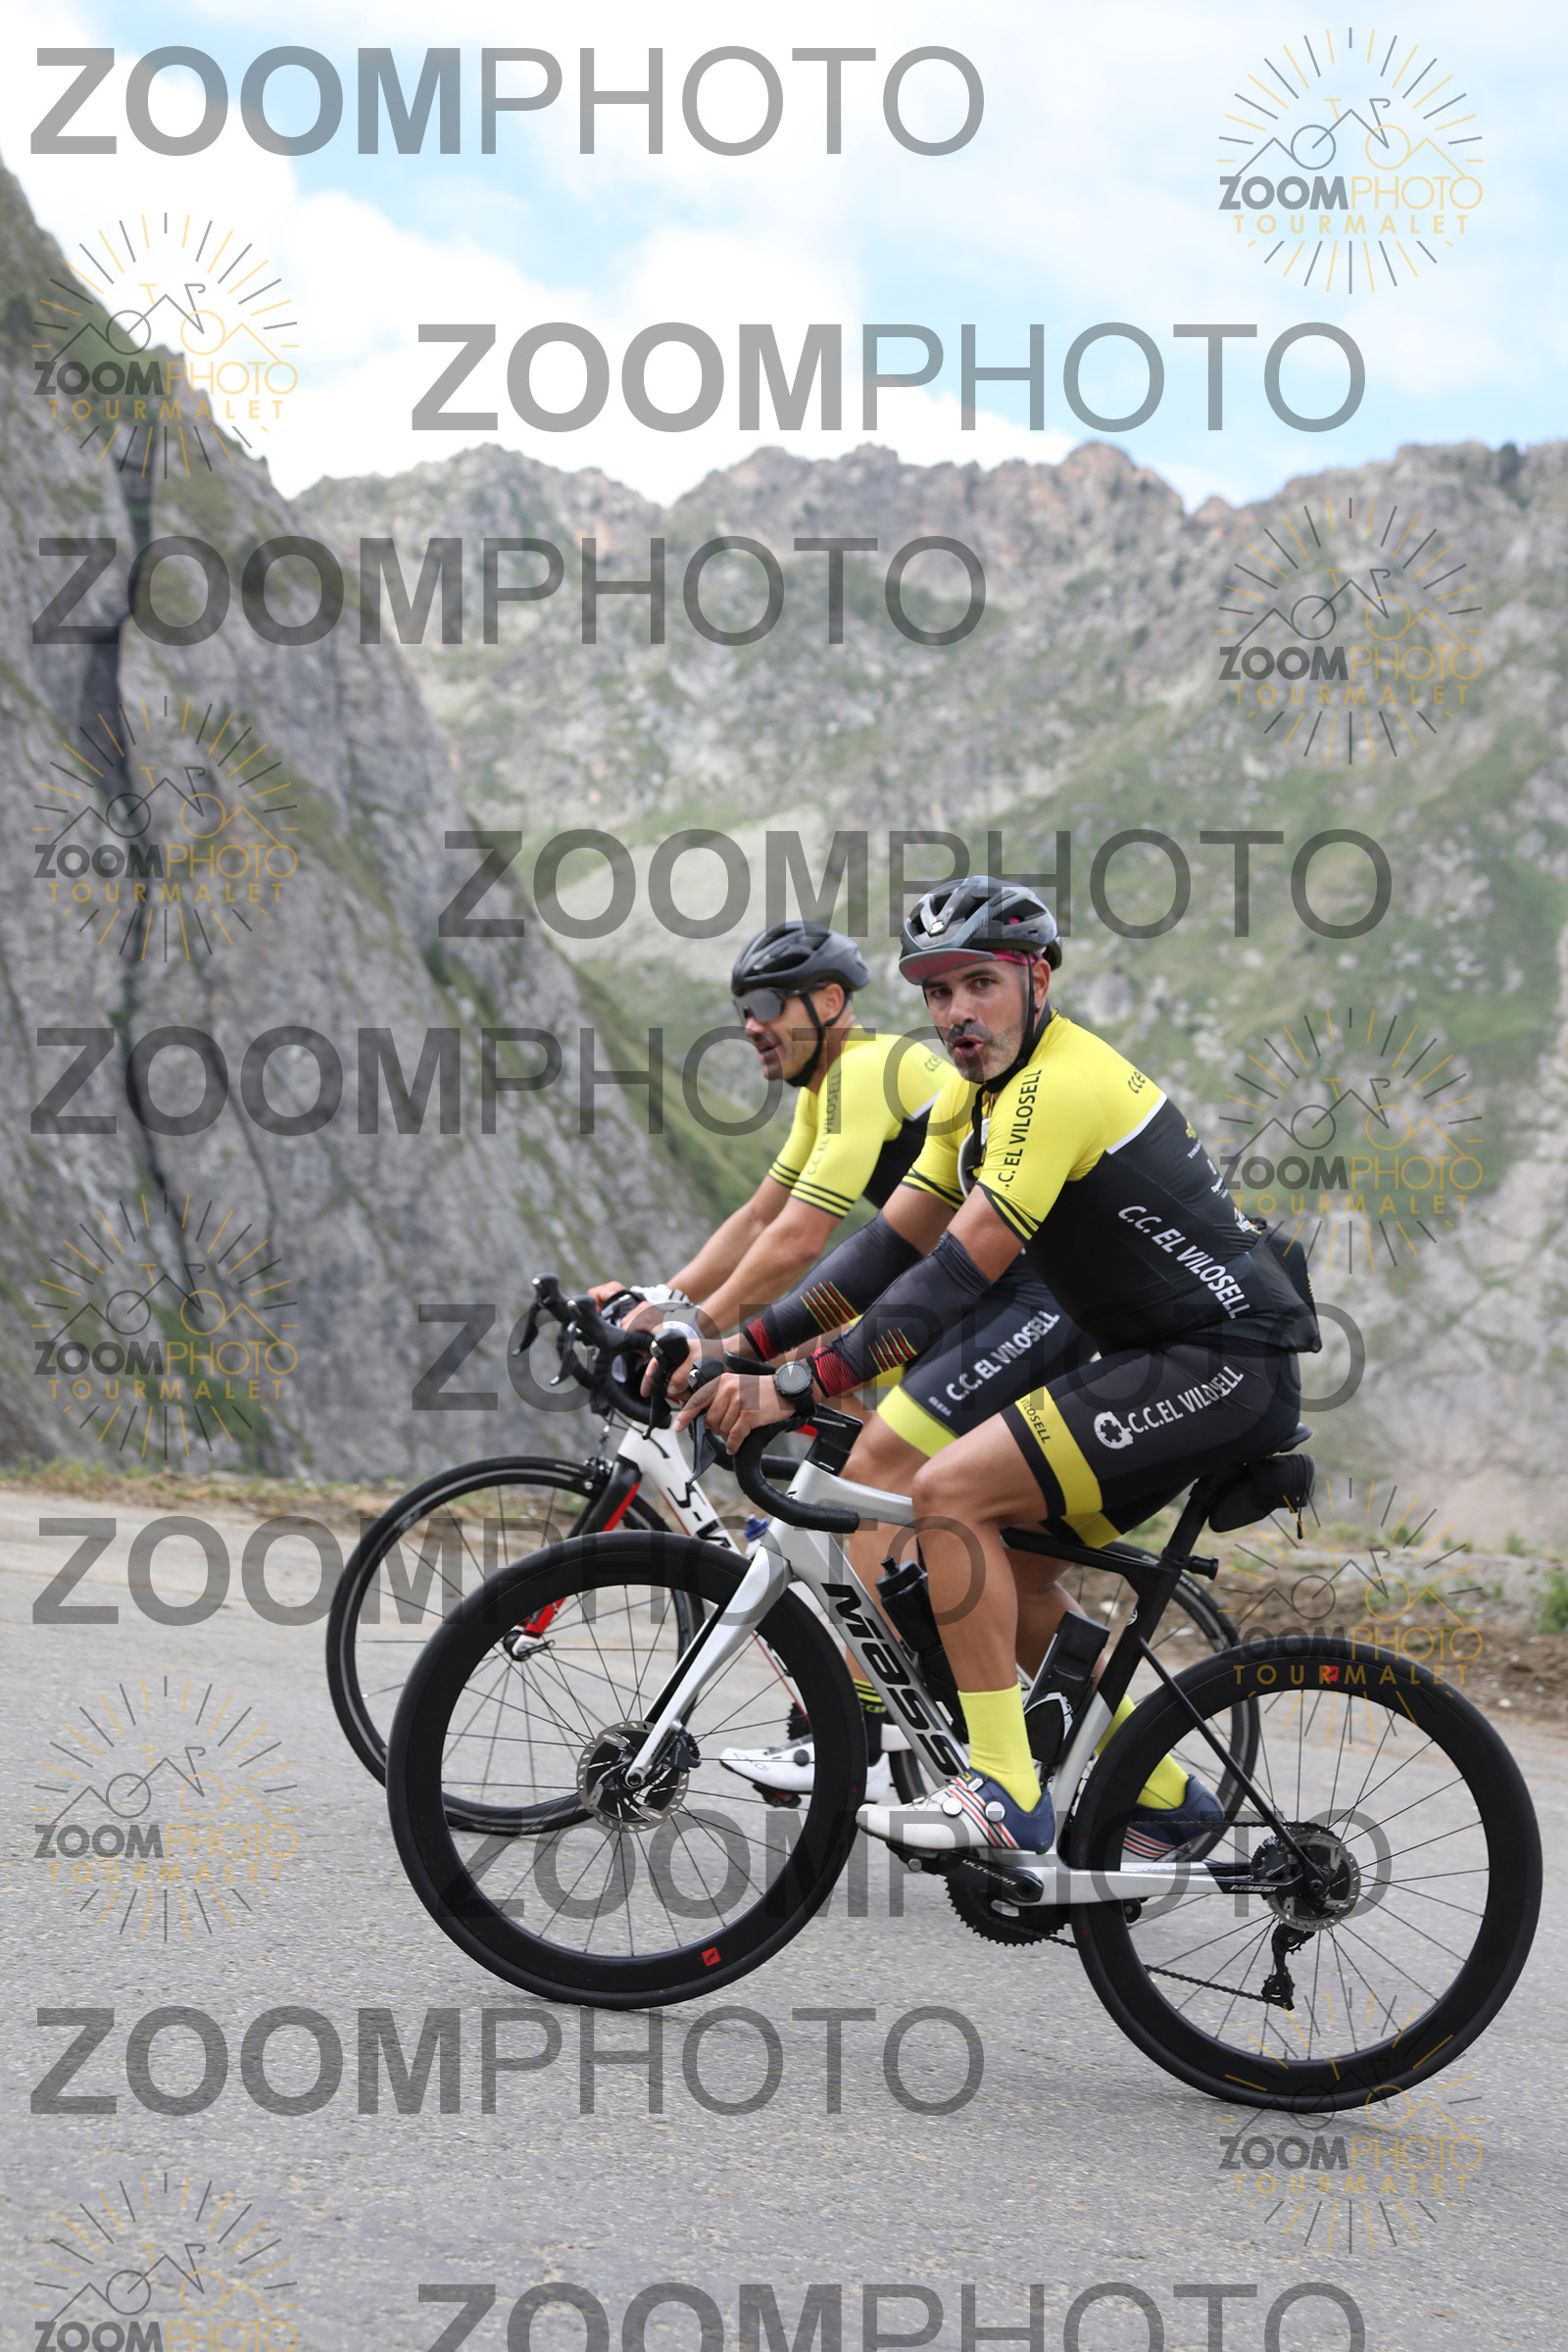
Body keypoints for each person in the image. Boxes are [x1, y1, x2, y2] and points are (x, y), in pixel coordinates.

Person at [681, 876, 1319, 1858]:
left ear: (1038, 980)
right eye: (937, 992)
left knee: (948, 1496)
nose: (957, 1013)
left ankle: (1005, 1792)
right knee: (1004, 1577)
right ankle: (1169, 1799)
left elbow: (952, 1275)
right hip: (1157, 1358)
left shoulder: (1056, 1086)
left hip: (1224, 1362)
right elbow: (882, 1250)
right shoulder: (971, 1097)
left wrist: (799, 1386)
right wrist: (740, 1351)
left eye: (979, 983)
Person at [596, 916, 1088, 1802]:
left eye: (765, 1004)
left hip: (1014, 1299)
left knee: (861, 1478)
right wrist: (664, 1301)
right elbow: (759, 1215)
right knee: (850, 1463)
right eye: (741, 1009)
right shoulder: (826, 1092)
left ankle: (849, 1728)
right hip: (956, 1303)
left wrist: (703, 1334)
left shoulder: (865, 1071)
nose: (750, 1024)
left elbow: (798, 1241)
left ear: (829, 1001)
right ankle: (918, 1673)